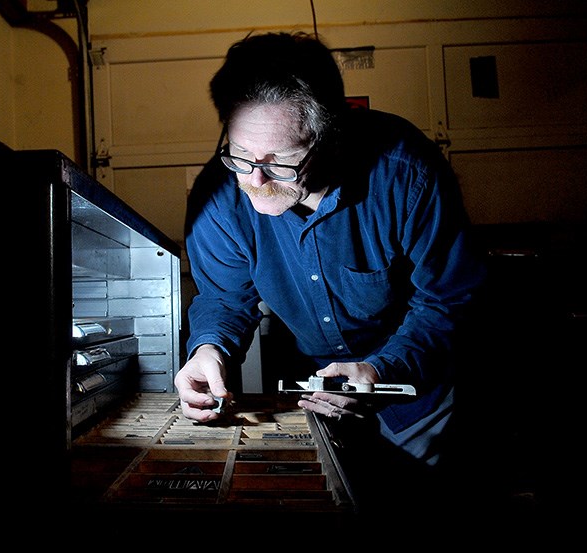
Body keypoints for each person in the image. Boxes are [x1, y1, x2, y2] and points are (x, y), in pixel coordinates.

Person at [174, 31, 489, 521]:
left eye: (279, 161)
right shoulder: (218, 199)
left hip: (417, 392)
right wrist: (207, 350)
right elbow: (224, 297)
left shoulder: (405, 172)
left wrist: (381, 369)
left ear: (330, 135)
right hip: (317, 394)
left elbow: (448, 300)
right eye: (239, 154)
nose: (254, 180)